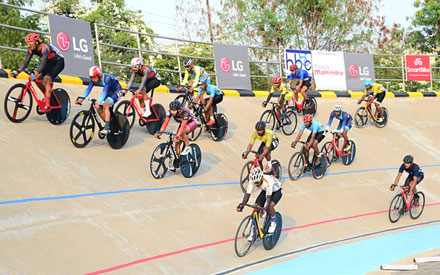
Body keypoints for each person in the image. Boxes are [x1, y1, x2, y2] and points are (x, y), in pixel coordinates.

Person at [11, 33, 65, 112]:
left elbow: (42, 64)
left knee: (47, 79)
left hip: (58, 62)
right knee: (36, 79)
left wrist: (35, 73)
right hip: (49, 62)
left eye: (30, 43)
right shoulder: (31, 49)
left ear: (36, 43)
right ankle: (47, 96)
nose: (29, 46)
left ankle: (47, 106)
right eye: (27, 44)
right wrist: (17, 71)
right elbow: (26, 62)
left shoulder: (45, 48)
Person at [75, 66, 124, 135]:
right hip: (109, 92)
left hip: (117, 91)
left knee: (106, 105)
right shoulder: (94, 79)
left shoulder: (107, 78)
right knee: (97, 107)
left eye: (94, 77)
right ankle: (109, 123)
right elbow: (88, 89)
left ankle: (107, 128)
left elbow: (105, 91)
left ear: (99, 75)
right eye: (91, 77)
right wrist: (82, 98)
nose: (93, 79)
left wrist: (99, 101)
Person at [236, 167, 282, 235]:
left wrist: (264, 210)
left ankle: (273, 222)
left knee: (270, 206)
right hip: (265, 190)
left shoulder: (268, 182)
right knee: (256, 207)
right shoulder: (253, 180)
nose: (256, 184)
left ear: (261, 178)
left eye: (257, 182)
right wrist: (242, 205)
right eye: (255, 182)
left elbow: (268, 199)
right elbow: (247, 194)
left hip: (276, 191)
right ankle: (253, 230)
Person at [154, 100, 198, 171]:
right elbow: (165, 123)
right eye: (171, 110)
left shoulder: (185, 113)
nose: (172, 112)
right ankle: (179, 160)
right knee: (177, 144)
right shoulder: (170, 112)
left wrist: (177, 136)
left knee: (182, 132)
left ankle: (187, 147)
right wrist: (160, 132)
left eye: (174, 110)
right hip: (184, 122)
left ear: (179, 109)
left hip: (192, 122)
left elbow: (183, 126)